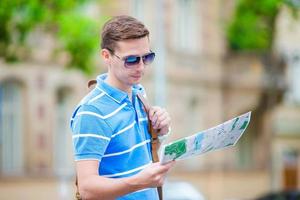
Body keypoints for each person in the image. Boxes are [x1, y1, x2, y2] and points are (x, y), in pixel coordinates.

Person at [70, 15, 175, 200]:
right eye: (132, 60)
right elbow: (87, 188)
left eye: (147, 57)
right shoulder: (92, 111)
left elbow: (135, 158)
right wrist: (139, 181)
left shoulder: (139, 94)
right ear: (106, 56)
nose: (141, 67)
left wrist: (160, 131)